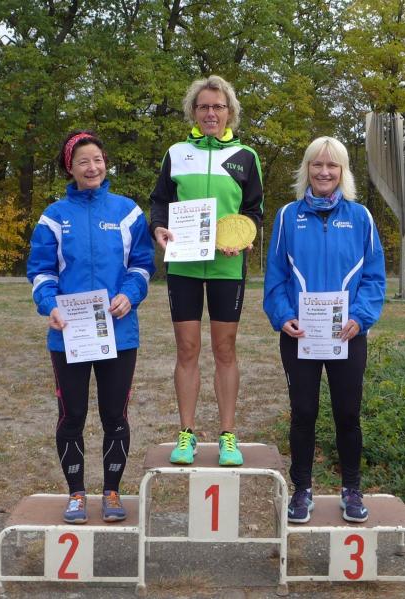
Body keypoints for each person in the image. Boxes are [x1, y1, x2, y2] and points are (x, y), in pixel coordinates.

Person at [27, 130, 155, 523]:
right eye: (83, 161)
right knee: (72, 416)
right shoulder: (53, 217)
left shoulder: (128, 212)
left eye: (97, 159)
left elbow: (143, 265)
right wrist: (49, 306)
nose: (92, 167)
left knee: (115, 416)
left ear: (105, 163)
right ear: (70, 167)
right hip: (70, 334)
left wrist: (129, 295)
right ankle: (76, 494)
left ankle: (112, 492)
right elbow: (41, 271)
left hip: (120, 332)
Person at [263, 136, 386, 523]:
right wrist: (283, 315)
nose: (324, 172)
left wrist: (360, 317)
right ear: (307, 169)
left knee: (348, 414)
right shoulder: (287, 216)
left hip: (347, 334)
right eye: (317, 164)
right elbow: (275, 277)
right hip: (299, 334)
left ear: (343, 172)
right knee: (303, 413)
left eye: (332, 165)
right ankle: (302, 490)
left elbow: (374, 277)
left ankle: (352, 489)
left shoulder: (361, 217)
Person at [150, 75, 263, 466]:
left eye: (218, 106)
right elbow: (160, 202)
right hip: (183, 263)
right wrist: (158, 228)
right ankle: (186, 434)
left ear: (229, 111)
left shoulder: (246, 156)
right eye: (204, 107)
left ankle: (228, 434)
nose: (211, 113)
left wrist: (245, 236)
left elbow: (254, 210)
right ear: (193, 112)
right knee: (187, 348)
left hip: (226, 265)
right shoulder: (176, 152)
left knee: (224, 349)